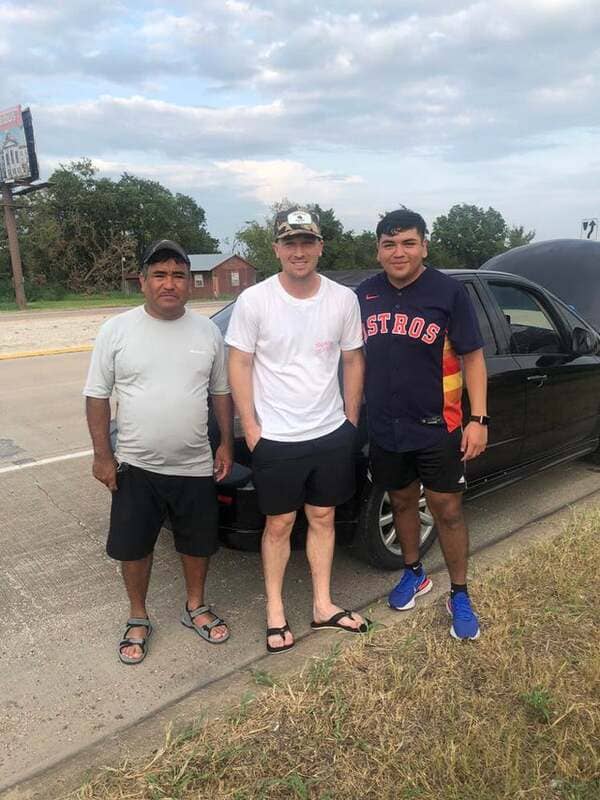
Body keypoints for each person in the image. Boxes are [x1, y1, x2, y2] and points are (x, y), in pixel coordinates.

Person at [226, 207, 369, 654]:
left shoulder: (343, 299)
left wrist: (350, 419)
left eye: (307, 242)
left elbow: (352, 359)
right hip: (276, 437)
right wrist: (251, 427)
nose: (299, 251)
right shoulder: (255, 300)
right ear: (276, 249)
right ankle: (275, 610)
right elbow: (239, 362)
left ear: (320, 246)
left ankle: (322, 605)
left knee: (323, 517)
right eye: (290, 242)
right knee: (279, 523)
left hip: (330, 432)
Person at [84, 239, 233, 664]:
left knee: (197, 543)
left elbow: (220, 392)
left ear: (190, 283)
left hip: (195, 464)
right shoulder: (116, 330)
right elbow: (96, 396)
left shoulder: (207, 331)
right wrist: (101, 456)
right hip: (136, 464)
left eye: (178, 275)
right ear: (144, 282)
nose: (170, 283)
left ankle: (196, 606)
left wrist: (224, 443)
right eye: (160, 275)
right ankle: (138, 616)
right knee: (134, 547)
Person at [357, 209, 488, 640]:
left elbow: (472, 357)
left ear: (424, 246)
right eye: (389, 244)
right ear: (378, 251)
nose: (399, 252)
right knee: (402, 502)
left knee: (447, 510)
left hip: (438, 425)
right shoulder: (365, 295)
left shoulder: (447, 292)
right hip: (385, 427)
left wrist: (478, 419)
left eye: (409, 243)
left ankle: (460, 593)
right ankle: (414, 573)